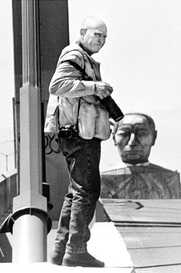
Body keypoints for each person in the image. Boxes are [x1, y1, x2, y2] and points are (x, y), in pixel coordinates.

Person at [45, 17, 114, 267]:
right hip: (80, 135)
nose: (101, 41)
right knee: (87, 190)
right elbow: (58, 85)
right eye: (97, 35)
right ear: (83, 32)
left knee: (77, 192)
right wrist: (95, 87)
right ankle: (76, 249)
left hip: (77, 132)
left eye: (104, 37)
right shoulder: (74, 55)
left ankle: (61, 249)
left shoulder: (81, 57)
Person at [101, 113, 181, 199]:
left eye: (141, 134)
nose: (132, 142)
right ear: (114, 138)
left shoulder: (169, 179)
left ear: (154, 137)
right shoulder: (103, 179)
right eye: (124, 134)